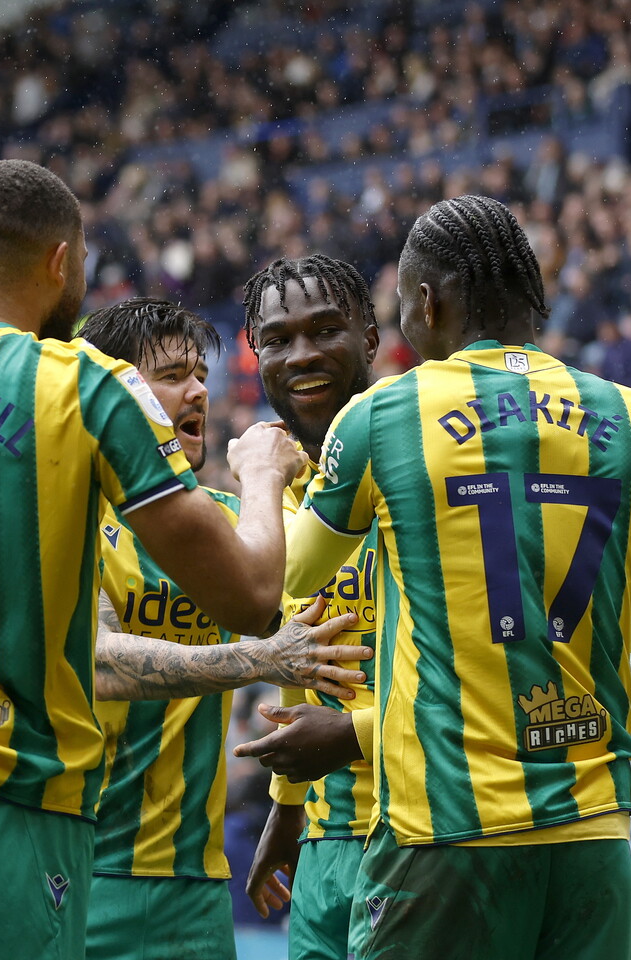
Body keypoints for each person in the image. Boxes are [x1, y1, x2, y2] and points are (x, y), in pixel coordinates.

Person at [0, 159, 298, 960]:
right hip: (4, 781)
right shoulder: (81, 384)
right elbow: (251, 594)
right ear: (62, 261)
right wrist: (261, 477)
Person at [280, 195, 631, 960]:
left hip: (447, 834)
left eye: (398, 304)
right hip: (593, 834)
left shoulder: (383, 415)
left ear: (428, 303)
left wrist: (260, 470)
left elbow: (293, 573)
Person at [78, 296, 372, 960]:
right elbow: (95, 662)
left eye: (201, 375)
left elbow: (303, 602)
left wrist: (290, 806)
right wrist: (260, 661)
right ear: (112, 393)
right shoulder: (71, 514)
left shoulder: (224, 525)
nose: (198, 392)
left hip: (196, 887)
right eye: (173, 375)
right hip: (75, 868)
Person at [234, 255, 382, 960]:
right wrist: (288, 810)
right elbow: (303, 640)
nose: (303, 355)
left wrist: (353, 735)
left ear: (373, 337)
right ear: (253, 352)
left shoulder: (418, 460)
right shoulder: (278, 492)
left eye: (327, 329)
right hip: (325, 840)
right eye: (279, 338)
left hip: (425, 828)